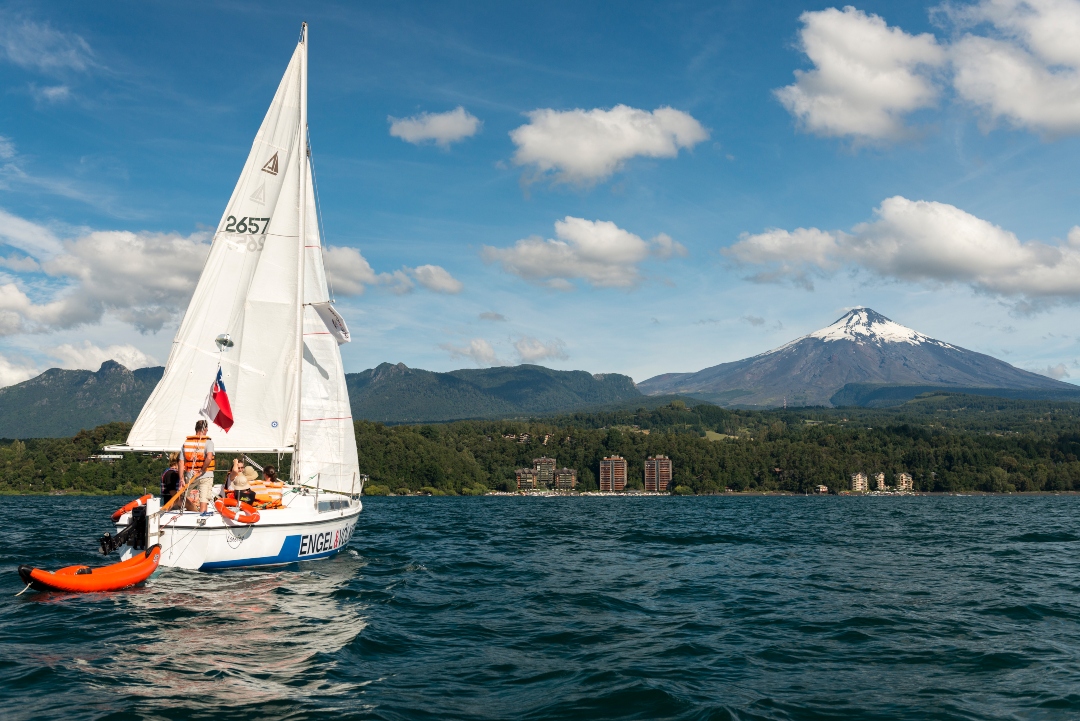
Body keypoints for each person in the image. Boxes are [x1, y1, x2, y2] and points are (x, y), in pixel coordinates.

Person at [179, 419, 215, 515]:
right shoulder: (208, 442)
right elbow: (209, 457)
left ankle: (180, 513)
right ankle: (202, 516)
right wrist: (202, 470)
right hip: (205, 474)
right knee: (204, 499)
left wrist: (181, 478)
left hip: (190, 475)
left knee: (182, 497)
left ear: (196, 429)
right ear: (205, 429)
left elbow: (181, 462)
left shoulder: (186, 443)